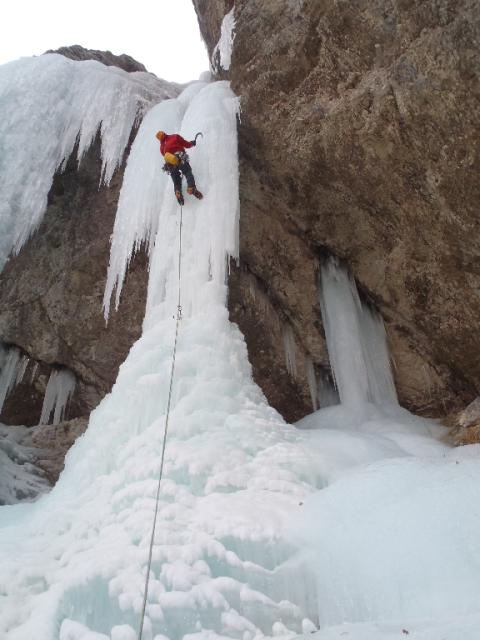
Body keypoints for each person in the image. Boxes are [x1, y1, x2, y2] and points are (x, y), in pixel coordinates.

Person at [156, 131, 203, 205]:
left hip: (170, 163)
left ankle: (178, 191)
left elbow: (164, 155)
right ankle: (191, 187)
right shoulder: (174, 137)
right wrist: (192, 143)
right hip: (179, 156)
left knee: (176, 180)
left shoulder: (161, 147)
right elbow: (185, 144)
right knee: (187, 172)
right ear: (165, 133)